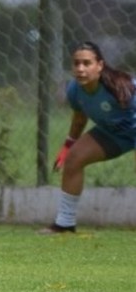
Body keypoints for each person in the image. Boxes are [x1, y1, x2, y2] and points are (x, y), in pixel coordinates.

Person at [40, 41, 136, 234]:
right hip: (113, 134)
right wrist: (66, 149)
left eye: (86, 63)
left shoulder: (123, 87)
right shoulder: (75, 90)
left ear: (99, 65)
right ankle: (65, 224)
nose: (80, 69)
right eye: (76, 63)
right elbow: (79, 120)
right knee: (74, 159)